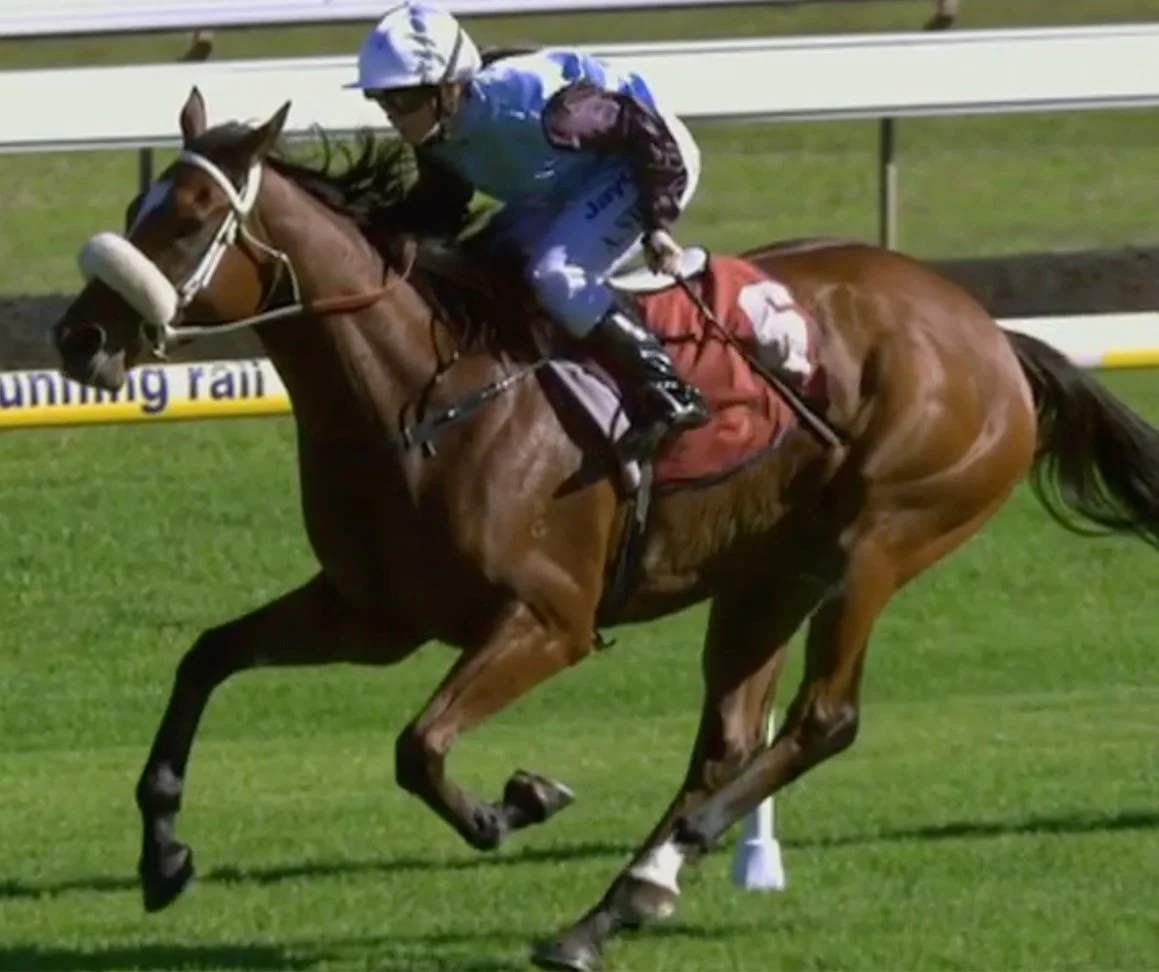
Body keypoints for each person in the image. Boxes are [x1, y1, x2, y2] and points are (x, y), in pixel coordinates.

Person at [344, 1, 711, 456]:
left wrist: (657, 224)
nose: (390, 112)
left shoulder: (534, 106)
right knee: (483, 263)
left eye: (401, 98)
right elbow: (443, 204)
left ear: (449, 88)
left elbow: (646, 133)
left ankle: (668, 390)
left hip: (645, 161)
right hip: (564, 179)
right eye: (380, 99)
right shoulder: (439, 131)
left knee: (555, 274)